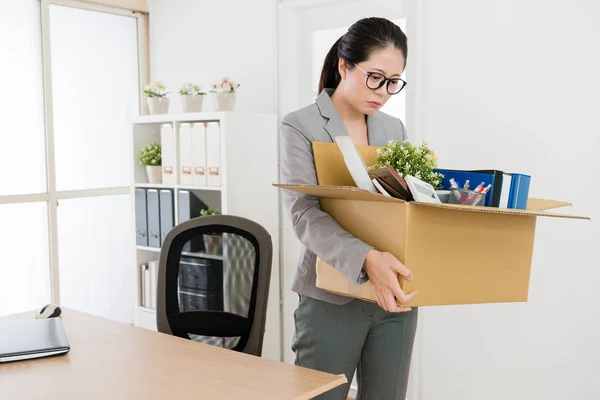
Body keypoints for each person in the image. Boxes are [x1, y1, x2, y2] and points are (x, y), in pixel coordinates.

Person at [279, 17, 418, 400]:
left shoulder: (394, 129)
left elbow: (402, 208)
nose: (384, 92)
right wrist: (365, 258)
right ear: (344, 65)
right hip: (330, 297)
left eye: (393, 81)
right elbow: (304, 213)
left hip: (394, 294)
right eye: (375, 77)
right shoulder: (301, 125)